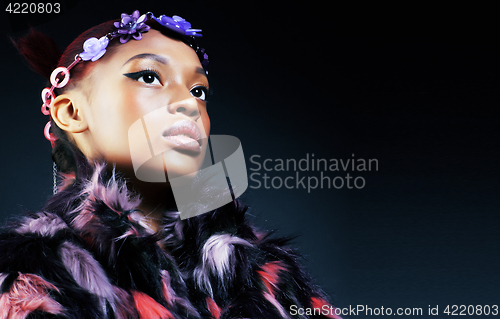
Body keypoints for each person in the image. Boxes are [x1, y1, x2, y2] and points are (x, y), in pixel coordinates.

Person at [0, 10, 340, 319]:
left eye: (198, 90)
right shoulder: (25, 282)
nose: (189, 104)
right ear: (71, 113)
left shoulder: (269, 274)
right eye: (149, 77)